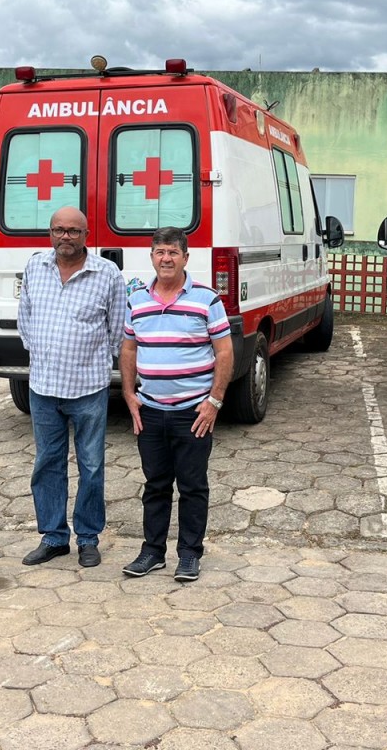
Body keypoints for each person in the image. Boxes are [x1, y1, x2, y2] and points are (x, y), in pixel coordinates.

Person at [120, 227, 233, 583]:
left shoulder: (207, 299)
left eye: (172, 252)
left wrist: (214, 401)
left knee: (192, 486)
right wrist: (128, 394)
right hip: (151, 411)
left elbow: (225, 351)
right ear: (151, 257)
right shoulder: (136, 299)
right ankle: (152, 552)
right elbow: (128, 348)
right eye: (159, 252)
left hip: (193, 412)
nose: (165, 258)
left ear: (186, 257)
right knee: (155, 484)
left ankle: (189, 555)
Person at [18, 205, 127, 568]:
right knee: (47, 463)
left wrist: (94, 362)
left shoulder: (107, 273)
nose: (66, 236)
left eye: (74, 231)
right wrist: (45, 354)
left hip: (88, 388)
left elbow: (118, 330)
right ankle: (53, 537)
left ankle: (88, 538)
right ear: (50, 233)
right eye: (59, 229)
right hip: (43, 387)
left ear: (86, 235)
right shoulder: (35, 266)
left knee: (91, 466)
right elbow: (26, 319)